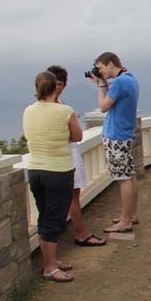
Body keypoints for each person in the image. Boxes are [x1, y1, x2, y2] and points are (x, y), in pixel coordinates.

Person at [23, 71, 82, 282]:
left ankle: (51, 260)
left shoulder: (28, 111)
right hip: (58, 171)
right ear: (55, 87)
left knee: (44, 215)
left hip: (36, 170)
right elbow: (77, 136)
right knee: (54, 219)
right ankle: (49, 267)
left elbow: (28, 136)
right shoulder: (65, 111)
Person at [47, 65, 107, 247]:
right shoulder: (57, 107)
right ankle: (81, 233)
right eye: (56, 84)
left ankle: (78, 232)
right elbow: (76, 135)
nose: (59, 87)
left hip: (60, 155)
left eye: (61, 84)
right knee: (71, 197)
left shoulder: (56, 104)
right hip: (64, 155)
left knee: (71, 196)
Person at [90, 52, 140, 234]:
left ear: (110, 64)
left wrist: (101, 86)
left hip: (116, 135)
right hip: (125, 133)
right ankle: (131, 215)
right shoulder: (130, 78)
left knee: (123, 179)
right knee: (130, 175)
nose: (100, 71)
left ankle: (126, 221)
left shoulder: (119, 82)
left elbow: (103, 106)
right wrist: (103, 82)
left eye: (101, 67)